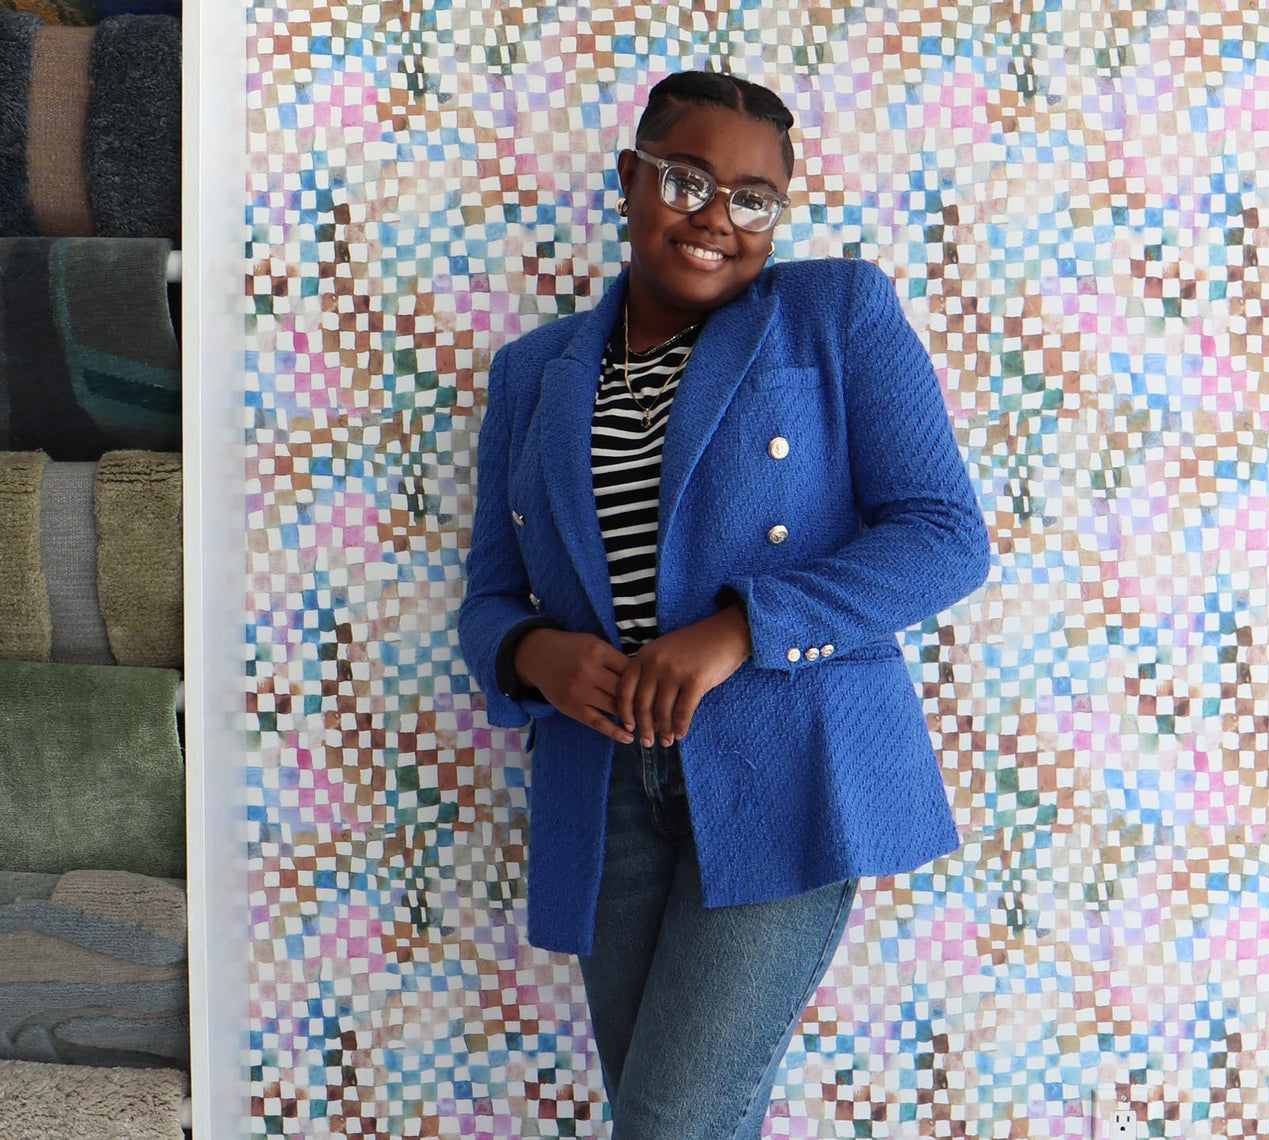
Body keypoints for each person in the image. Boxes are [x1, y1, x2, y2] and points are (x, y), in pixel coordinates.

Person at [459, 69, 990, 1140]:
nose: (717, 218)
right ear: (630, 178)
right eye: (688, 180)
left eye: (753, 198)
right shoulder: (531, 374)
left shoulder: (833, 313)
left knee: (669, 1118)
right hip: (602, 778)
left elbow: (944, 537)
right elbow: (486, 593)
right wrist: (531, 655)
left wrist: (737, 629)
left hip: (786, 766)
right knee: (678, 1119)